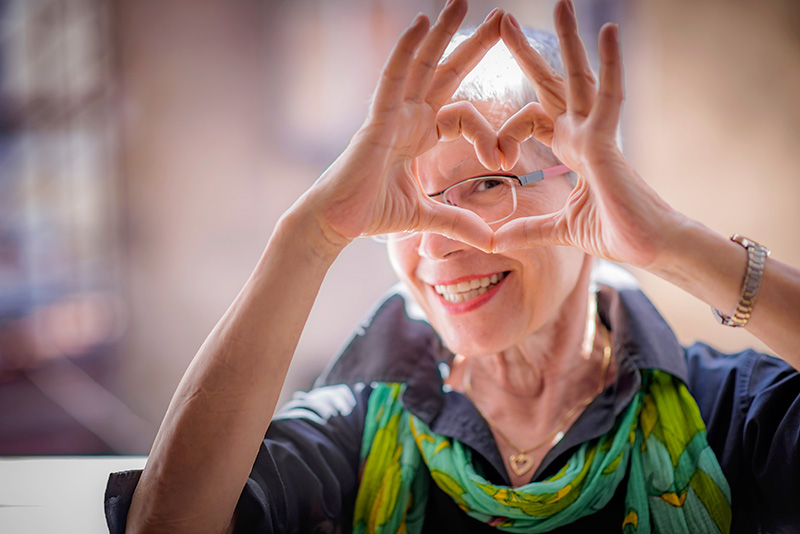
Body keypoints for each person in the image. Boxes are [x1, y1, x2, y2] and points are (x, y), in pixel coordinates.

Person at [105, 0, 800, 532]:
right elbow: (166, 524)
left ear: (586, 186)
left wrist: (676, 244)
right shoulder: (356, 428)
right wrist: (308, 236)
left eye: (488, 184)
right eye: (409, 202)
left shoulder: (728, 414)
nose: (436, 242)